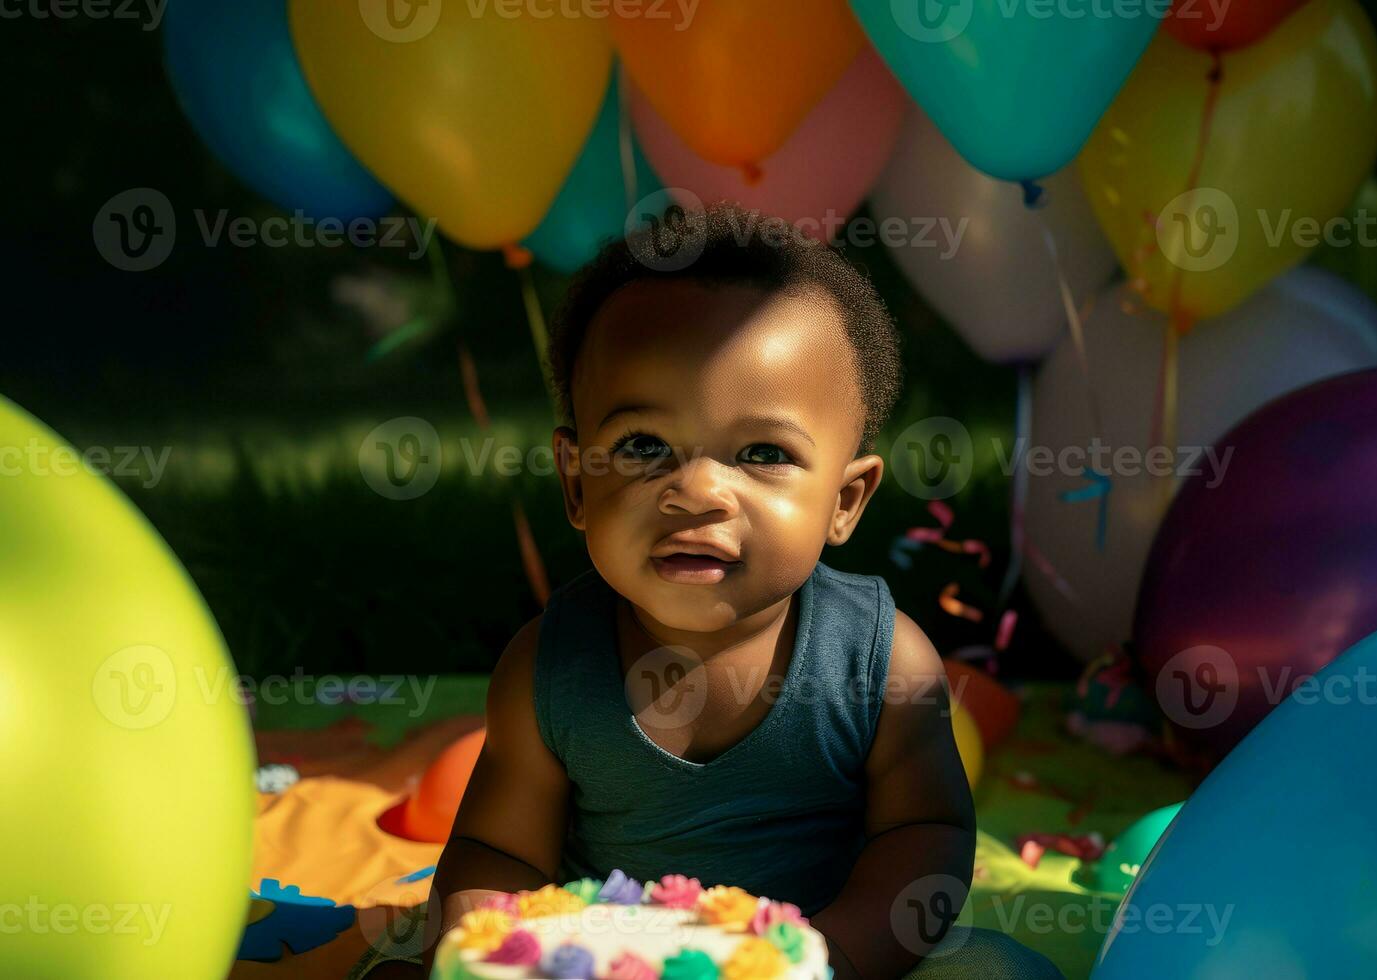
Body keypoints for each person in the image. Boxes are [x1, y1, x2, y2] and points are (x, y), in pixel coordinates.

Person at [363, 204, 1059, 980]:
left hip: (830, 957)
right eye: (643, 446)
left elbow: (923, 835)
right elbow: (498, 851)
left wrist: (837, 956)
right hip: (607, 961)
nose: (696, 490)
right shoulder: (548, 671)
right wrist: (500, 951)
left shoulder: (883, 664)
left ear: (845, 501)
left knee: (999, 973)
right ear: (575, 482)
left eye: (762, 452)